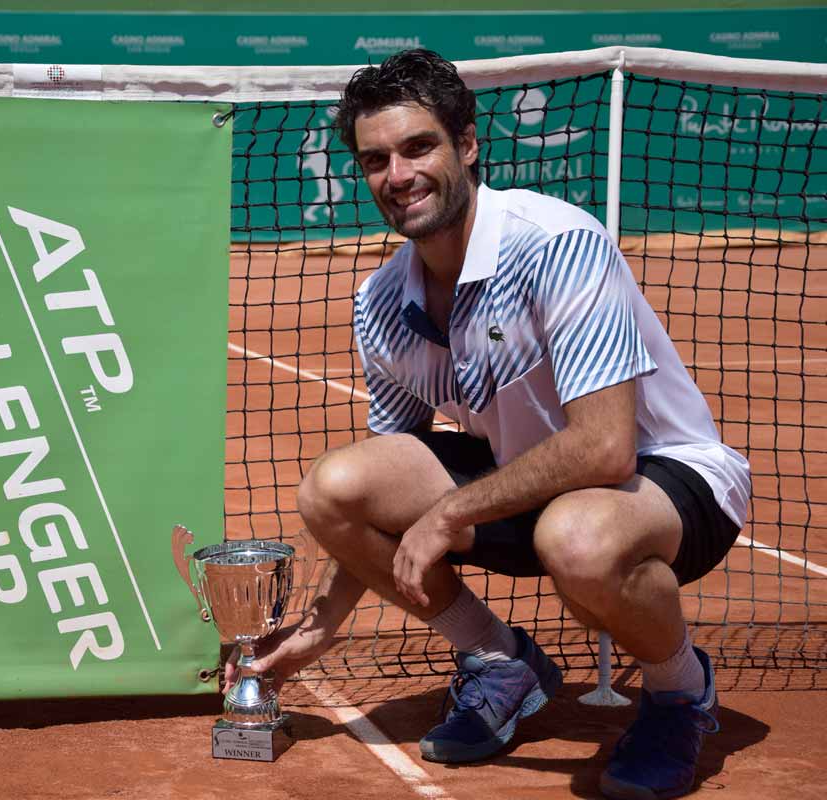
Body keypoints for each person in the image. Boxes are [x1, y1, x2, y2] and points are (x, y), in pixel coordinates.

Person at [224, 49, 750, 800]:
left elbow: (605, 447)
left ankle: (679, 692)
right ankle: (500, 661)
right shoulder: (381, 303)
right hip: (528, 484)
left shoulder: (555, 244)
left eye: (419, 147)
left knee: (578, 536)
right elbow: (387, 484)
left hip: (664, 479)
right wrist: (322, 625)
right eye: (376, 160)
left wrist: (449, 514)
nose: (398, 175)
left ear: (467, 145)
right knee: (335, 489)